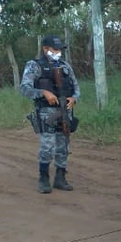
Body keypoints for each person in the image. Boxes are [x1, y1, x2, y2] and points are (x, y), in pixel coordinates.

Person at [19, 34, 80, 194]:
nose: (58, 52)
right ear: (45, 49)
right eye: (55, 49)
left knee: (63, 146)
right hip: (47, 112)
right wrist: (44, 93)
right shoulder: (34, 66)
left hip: (65, 111)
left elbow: (76, 88)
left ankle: (60, 177)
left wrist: (74, 98)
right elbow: (25, 88)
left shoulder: (66, 67)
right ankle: (43, 178)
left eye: (60, 49)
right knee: (47, 146)